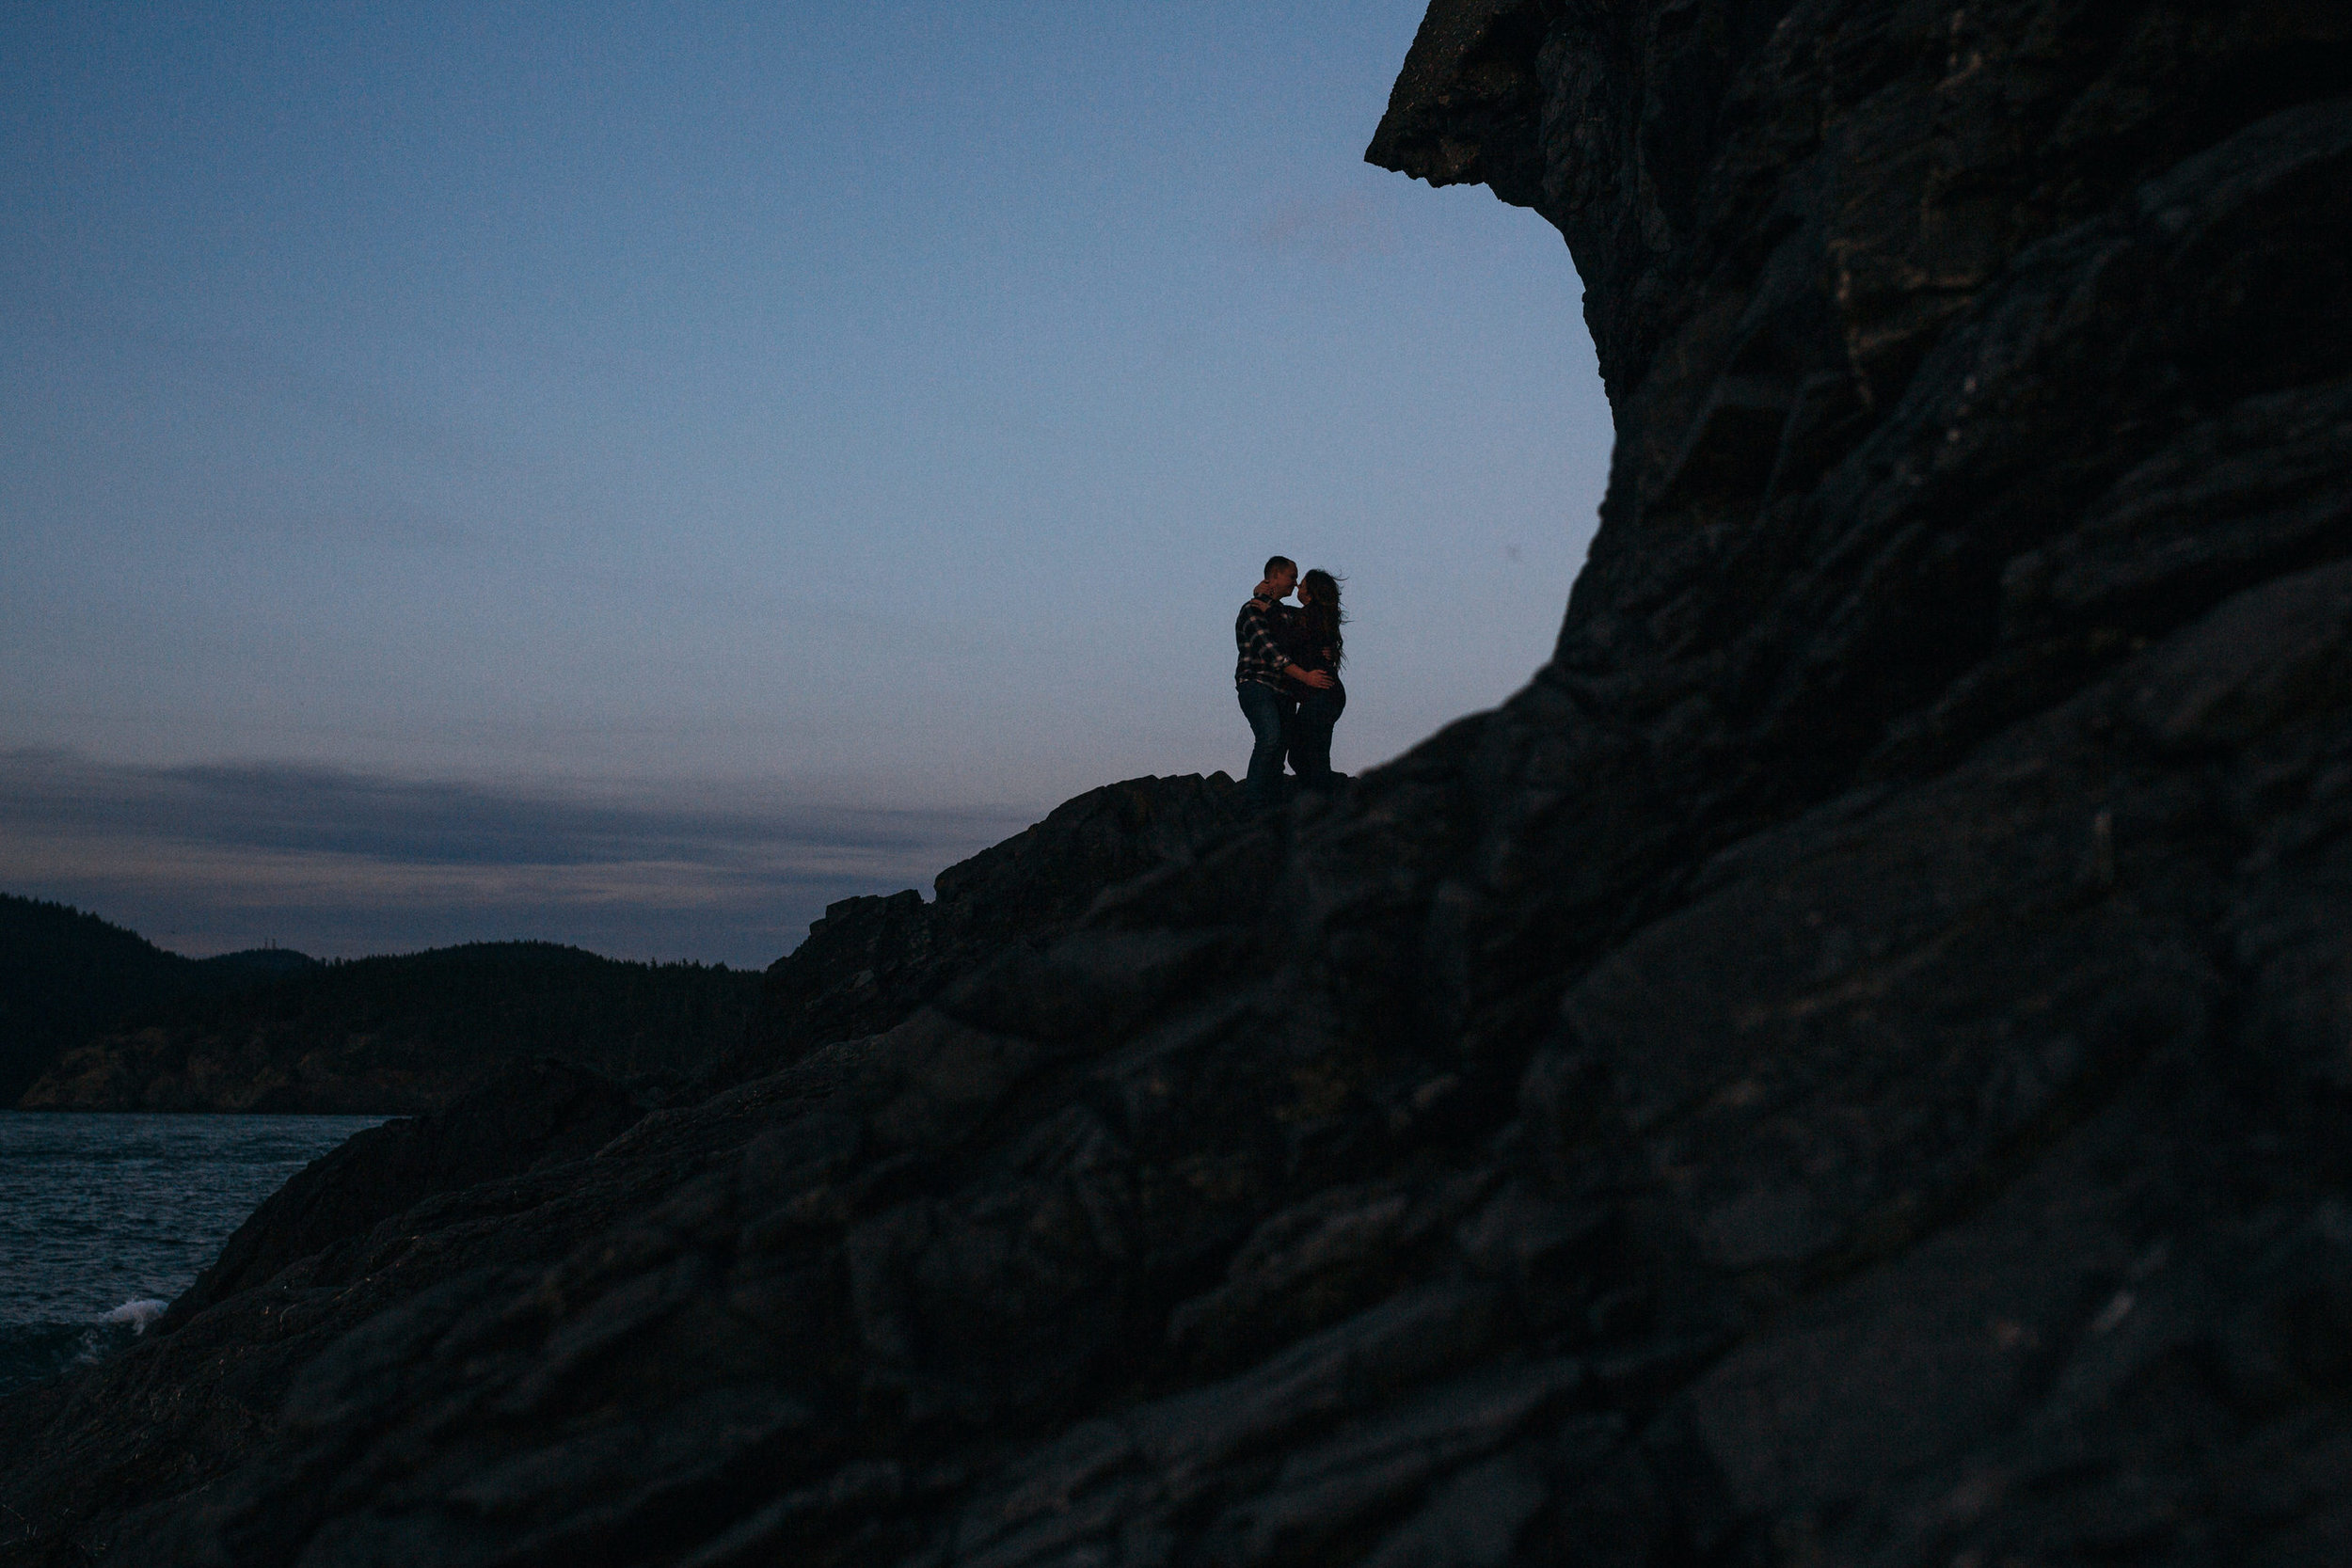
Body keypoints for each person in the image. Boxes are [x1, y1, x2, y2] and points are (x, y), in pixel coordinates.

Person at [1234, 556, 1332, 812]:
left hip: (1284, 691)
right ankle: (1253, 805)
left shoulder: (1286, 613)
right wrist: (1306, 677)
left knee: (1280, 748)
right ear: (1274, 576)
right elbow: (1272, 653)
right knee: (1269, 738)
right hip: (1257, 684)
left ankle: (1271, 805)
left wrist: (1326, 647)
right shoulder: (1252, 609)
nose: (1296, 582)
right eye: (1292, 576)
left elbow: (1311, 624)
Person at [1282, 568, 1347, 793]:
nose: (1298, 587)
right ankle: (1327, 795)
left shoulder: (1309, 618)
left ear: (1310, 594)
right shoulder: (1318, 618)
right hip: (1323, 695)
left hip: (1321, 694)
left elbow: (1286, 638)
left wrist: (1267, 607)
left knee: (1310, 756)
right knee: (1305, 755)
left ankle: (1328, 799)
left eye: (1302, 585)